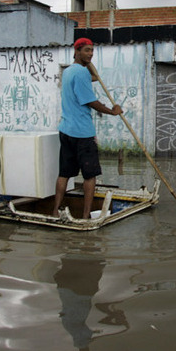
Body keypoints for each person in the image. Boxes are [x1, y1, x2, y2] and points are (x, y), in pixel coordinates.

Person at [52, 37, 123, 218]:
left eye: (92, 51)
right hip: (82, 133)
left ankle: (54, 211)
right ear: (77, 51)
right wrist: (112, 111)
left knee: (64, 174)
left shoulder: (68, 72)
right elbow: (90, 101)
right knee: (89, 176)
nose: (90, 54)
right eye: (86, 50)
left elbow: (93, 77)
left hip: (65, 130)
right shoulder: (81, 73)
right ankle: (85, 216)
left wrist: (88, 66)